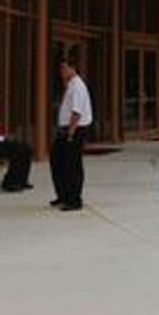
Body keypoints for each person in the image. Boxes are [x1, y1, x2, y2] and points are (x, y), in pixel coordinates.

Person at [50, 59, 93, 212]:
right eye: (60, 68)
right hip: (66, 129)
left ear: (73, 68)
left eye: (64, 68)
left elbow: (76, 112)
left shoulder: (77, 86)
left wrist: (70, 133)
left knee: (72, 165)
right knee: (58, 161)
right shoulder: (70, 85)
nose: (61, 71)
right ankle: (63, 195)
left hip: (74, 130)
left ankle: (74, 199)